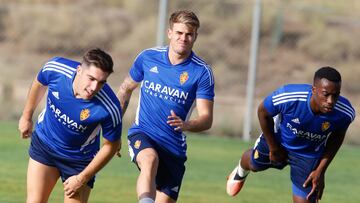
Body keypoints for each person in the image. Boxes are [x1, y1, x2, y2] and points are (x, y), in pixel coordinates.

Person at [117, 10, 215, 203]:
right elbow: (125, 89)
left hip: (173, 147)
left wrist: (186, 125)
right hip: (143, 133)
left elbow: (207, 119)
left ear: (196, 36)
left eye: (189, 34)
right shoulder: (148, 57)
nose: (183, 38)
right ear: (169, 33)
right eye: (179, 33)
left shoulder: (202, 72)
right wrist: (115, 130)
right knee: (149, 160)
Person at [226, 66, 355, 203]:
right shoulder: (289, 96)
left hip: (308, 154)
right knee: (254, 165)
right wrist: (273, 147)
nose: (331, 101)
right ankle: (240, 171)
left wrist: (320, 170)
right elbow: (262, 112)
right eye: (325, 94)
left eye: (335, 95)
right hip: (278, 140)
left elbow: (337, 138)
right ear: (313, 90)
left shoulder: (345, 113)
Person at [18, 48, 122, 203]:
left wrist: (82, 178)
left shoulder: (109, 108)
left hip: (79, 162)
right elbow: (39, 83)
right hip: (45, 145)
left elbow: (111, 146)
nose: (94, 87)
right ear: (79, 70)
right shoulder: (56, 69)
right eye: (91, 78)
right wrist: (26, 116)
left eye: (101, 82)